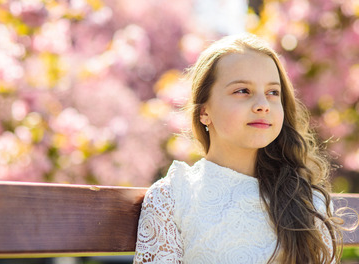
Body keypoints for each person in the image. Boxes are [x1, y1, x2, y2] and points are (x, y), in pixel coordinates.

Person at [133, 34, 344, 264]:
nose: (263, 105)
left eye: (273, 92)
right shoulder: (171, 197)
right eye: (243, 91)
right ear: (204, 111)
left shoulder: (307, 200)